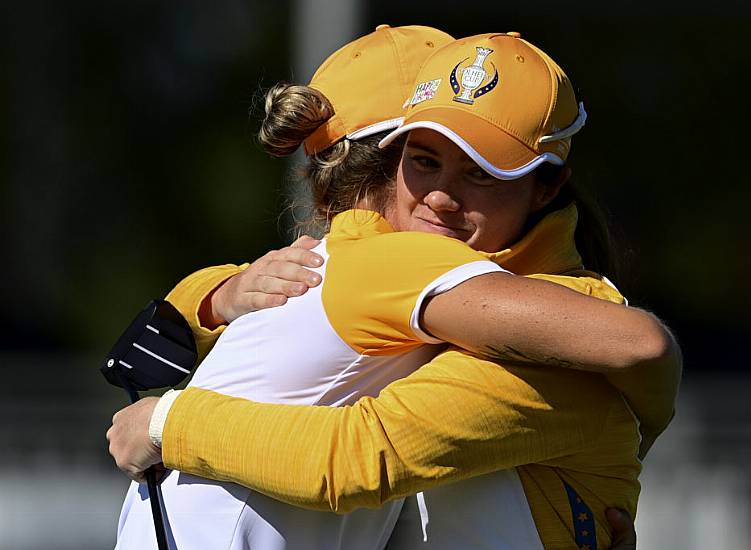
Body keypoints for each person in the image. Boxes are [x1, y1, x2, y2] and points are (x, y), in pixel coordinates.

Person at [108, 28, 680, 550]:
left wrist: (167, 422)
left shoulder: (402, 271)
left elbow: (357, 459)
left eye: (482, 170)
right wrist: (220, 296)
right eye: (424, 160)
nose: (439, 197)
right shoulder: (390, 273)